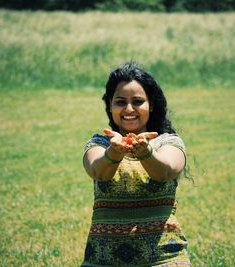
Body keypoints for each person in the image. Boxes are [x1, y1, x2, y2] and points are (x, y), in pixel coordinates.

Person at [81, 62, 192, 266]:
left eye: (138, 101)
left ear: (151, 105)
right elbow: (98, 171)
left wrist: (146, 152)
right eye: (120, 102)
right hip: (103, 260)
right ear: (110, 106)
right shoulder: (99, 144)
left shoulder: (169, 143)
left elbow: (164, 171)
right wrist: (114, 152)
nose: (129, 109)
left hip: (164, 259)